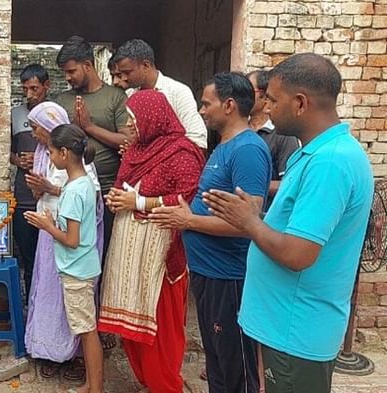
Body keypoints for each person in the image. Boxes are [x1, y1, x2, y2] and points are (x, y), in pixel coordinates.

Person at [204, 54, 374, 393]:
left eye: (273, 99)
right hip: (284, 326)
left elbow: (298, 254)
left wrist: (249, 222)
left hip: (296, 331)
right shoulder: (314, 153)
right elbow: (298, 229)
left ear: (300, 103)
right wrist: (257, 218)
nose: (265, 107)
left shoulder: (330, 162)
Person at [149, 72, 271, 393]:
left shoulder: (247, 150)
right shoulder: (223, 146)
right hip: (208, 273)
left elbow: (247, 223)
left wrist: (188, 222)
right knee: (217, 363)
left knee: (237, 370)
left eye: (207, 103)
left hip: (229, 277)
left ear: (229, 105)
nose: (201, 110)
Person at [99, 90, 205, 393]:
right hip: (129, 251)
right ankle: (148, 380)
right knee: (132, 324)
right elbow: (125, 186)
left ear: (151, 119)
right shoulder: (135, 150)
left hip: (159, 255)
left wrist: (139, 202)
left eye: (132, 120)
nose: (129, 127)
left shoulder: (181, 152)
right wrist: (117, 198)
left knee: (160, 325)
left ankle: (165, 384)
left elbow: (187, 198)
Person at [54, 36, 130, 353]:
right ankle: (75, 332)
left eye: (72, 71)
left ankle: (102, 328)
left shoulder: (116, 97)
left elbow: (127, 142)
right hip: (68, 193)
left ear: (88, 65)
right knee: (73, 261)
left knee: (103, 260)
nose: (68, 78)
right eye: (65, 74)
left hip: (108, 197)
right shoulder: (62, 99)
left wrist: (89, 128)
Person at [23, 102, 103, 380]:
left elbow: (72, 238)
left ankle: (93, 384)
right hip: (79, 263)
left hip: (75, 265)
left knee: (85, 328)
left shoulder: (74, 189)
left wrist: (47, 224)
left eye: (54, 153)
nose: (50, 156)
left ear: (64, 153)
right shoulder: (77, 184)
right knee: (83, 323)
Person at [113, 39, 208, 151]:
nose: (123, 78)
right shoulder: (130, 96)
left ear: (145, 65)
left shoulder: (177, 92)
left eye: (127, 72)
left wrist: (158, 158)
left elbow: (197, 141)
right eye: (121, 73)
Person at [11, 64, 50, 301]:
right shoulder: (15, 114)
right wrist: (19, 160)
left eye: (34, 88)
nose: (29, 94)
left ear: (47, 86)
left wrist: (38, 158)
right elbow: (8, 152)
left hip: (49, 196)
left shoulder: (55, 113)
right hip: (24, 196)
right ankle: (30, 303)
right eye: (25, 89)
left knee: (49, 257)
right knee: (28, 257)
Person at [247, 69, 299, 207]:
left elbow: (289, 185)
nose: (243, 97)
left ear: (264, 96)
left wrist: (250, 185)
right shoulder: (240, 131)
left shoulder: (283, 135)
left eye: (248, 91)